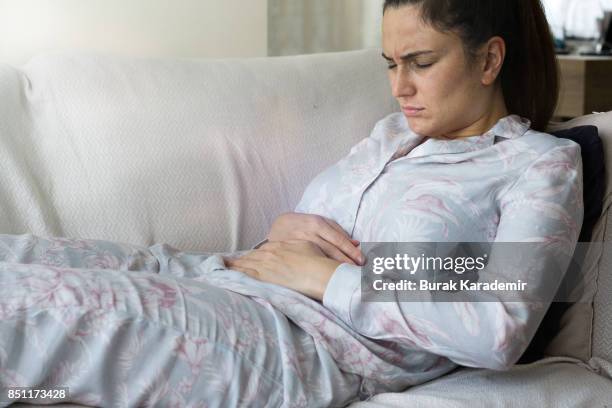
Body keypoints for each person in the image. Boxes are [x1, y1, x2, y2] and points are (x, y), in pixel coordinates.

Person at [0, 0, 583, 407]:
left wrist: (327, 276)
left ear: (488, 60)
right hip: (221, 272)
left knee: (27, 307)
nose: (399, 86)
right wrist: (284, 231)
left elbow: (497, 322)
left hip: (293, 343)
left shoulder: (534, 164)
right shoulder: (389, 137)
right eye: (390, 64)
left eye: (421, 63)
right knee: (16, 257)